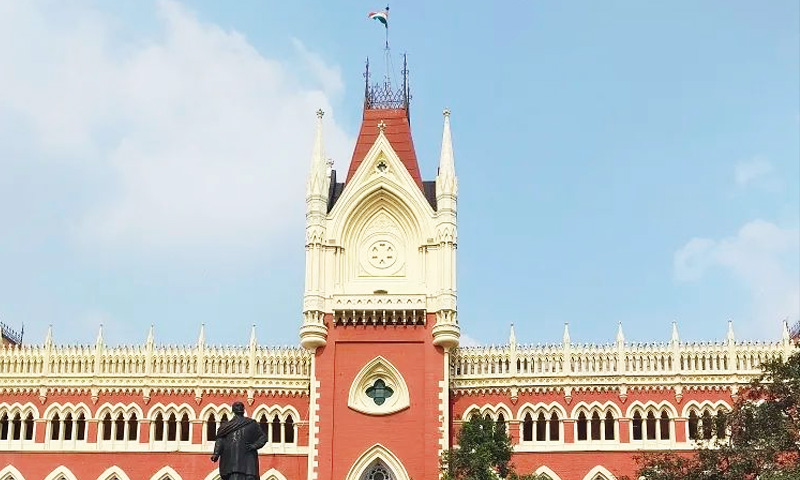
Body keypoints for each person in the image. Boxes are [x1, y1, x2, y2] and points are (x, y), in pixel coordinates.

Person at [211, 401, 268, 480]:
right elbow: (220, 439)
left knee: (249, 478)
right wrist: (216, 453)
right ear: (233, 410)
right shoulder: (226, 426)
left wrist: (254, 446)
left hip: (248, 460)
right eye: (237, 406)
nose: (239, 407)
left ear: (243, 409)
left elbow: (263, 437)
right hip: (231, 460)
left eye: (241, 406)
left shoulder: (251, 423)